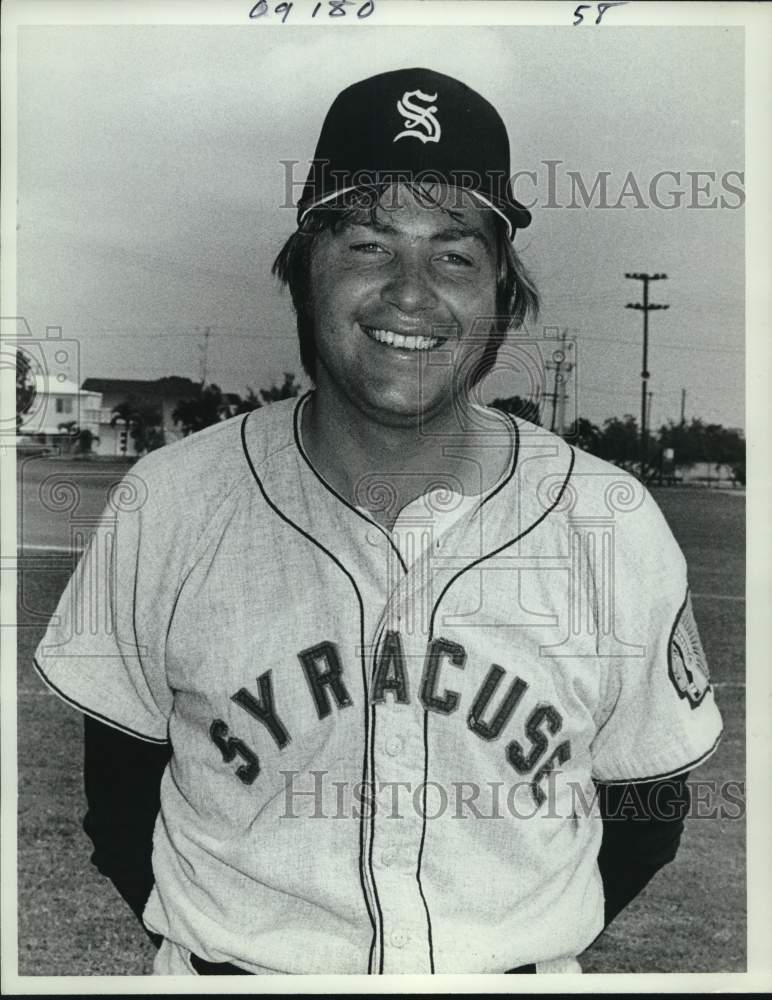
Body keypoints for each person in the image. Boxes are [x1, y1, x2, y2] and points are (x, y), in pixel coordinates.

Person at [34, 67, 723, 976]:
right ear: (302, 271)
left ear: (501, 298)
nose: (410, 291)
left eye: (455, 254)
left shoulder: (611, 521)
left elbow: (647, 811)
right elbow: (118, 807)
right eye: (366, 244)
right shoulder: (170, 501)